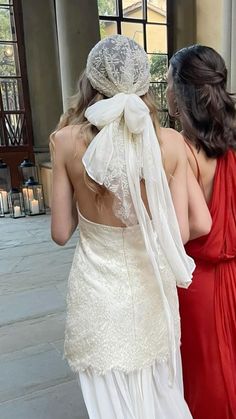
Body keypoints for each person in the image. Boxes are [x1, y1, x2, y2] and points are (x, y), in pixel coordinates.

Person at [50, 35, 210, 419]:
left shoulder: (65, 141)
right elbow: (184, 231)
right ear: (144, 83)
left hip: (97, 295)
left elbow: (60, 232)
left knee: (111, 406)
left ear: (91, 80)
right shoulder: (169, 142)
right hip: (150, 291)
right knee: (159, 396)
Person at [167, 44, 236, 419]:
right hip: (234, 273)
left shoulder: (180, 148)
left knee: (205, 377)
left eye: (167, 83)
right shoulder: (231, 143)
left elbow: (184, 229)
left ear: (180, 93)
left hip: (197, 285)